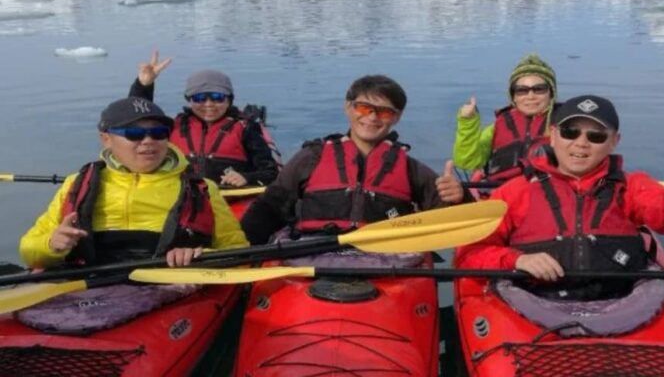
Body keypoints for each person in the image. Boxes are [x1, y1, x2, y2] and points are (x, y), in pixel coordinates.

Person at [454, 94, 664, 300]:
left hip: (623, 302)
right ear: (553, 136)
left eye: (596, 136)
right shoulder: (515, 191)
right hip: (535, 301)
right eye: (570, 132)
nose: (581, 143)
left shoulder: (631, 185)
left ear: (614, 142)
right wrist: (517, 259)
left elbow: (662, 216)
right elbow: (469, 255)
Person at [19, 97, 249, 269]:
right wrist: (52, 244)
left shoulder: (201, 188)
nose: (148, 141)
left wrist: (200, 255)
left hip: (171, 286)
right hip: (87, 281)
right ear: (106, 139)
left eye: (158, 133)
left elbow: (238, 253)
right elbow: (29, 250)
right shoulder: (77, 184)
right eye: (134, 133)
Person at [240, 74, 471, 245]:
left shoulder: (412, 170)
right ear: (348, 108)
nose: (371, 117)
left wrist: (461, 199)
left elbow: (453, 223)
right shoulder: (311, 158)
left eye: (385, 111)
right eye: (363, 107)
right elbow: (270, 207)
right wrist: (240, 246)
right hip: (311, 255)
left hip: (387, 262)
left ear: (397, 118)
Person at [128, 51, 281, 188]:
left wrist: (247, 177)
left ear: (229, 100)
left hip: (229, 199)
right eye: (199, 98)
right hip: (181, 198)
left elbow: (270, 172)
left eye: (217, 98)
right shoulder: (173, 127)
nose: (209, 105)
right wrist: (144, 85)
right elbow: (137, 118)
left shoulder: (246, 129)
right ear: (190, 101)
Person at [453, 53, 557, 184]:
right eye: (522, 90)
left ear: (551, 93)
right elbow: (467, 162)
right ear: (513, 96)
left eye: (539, 89)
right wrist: (467, 122)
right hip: (499, 193)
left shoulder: (565, 125)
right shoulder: (497, 127)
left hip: (547, 195)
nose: (530, 96)